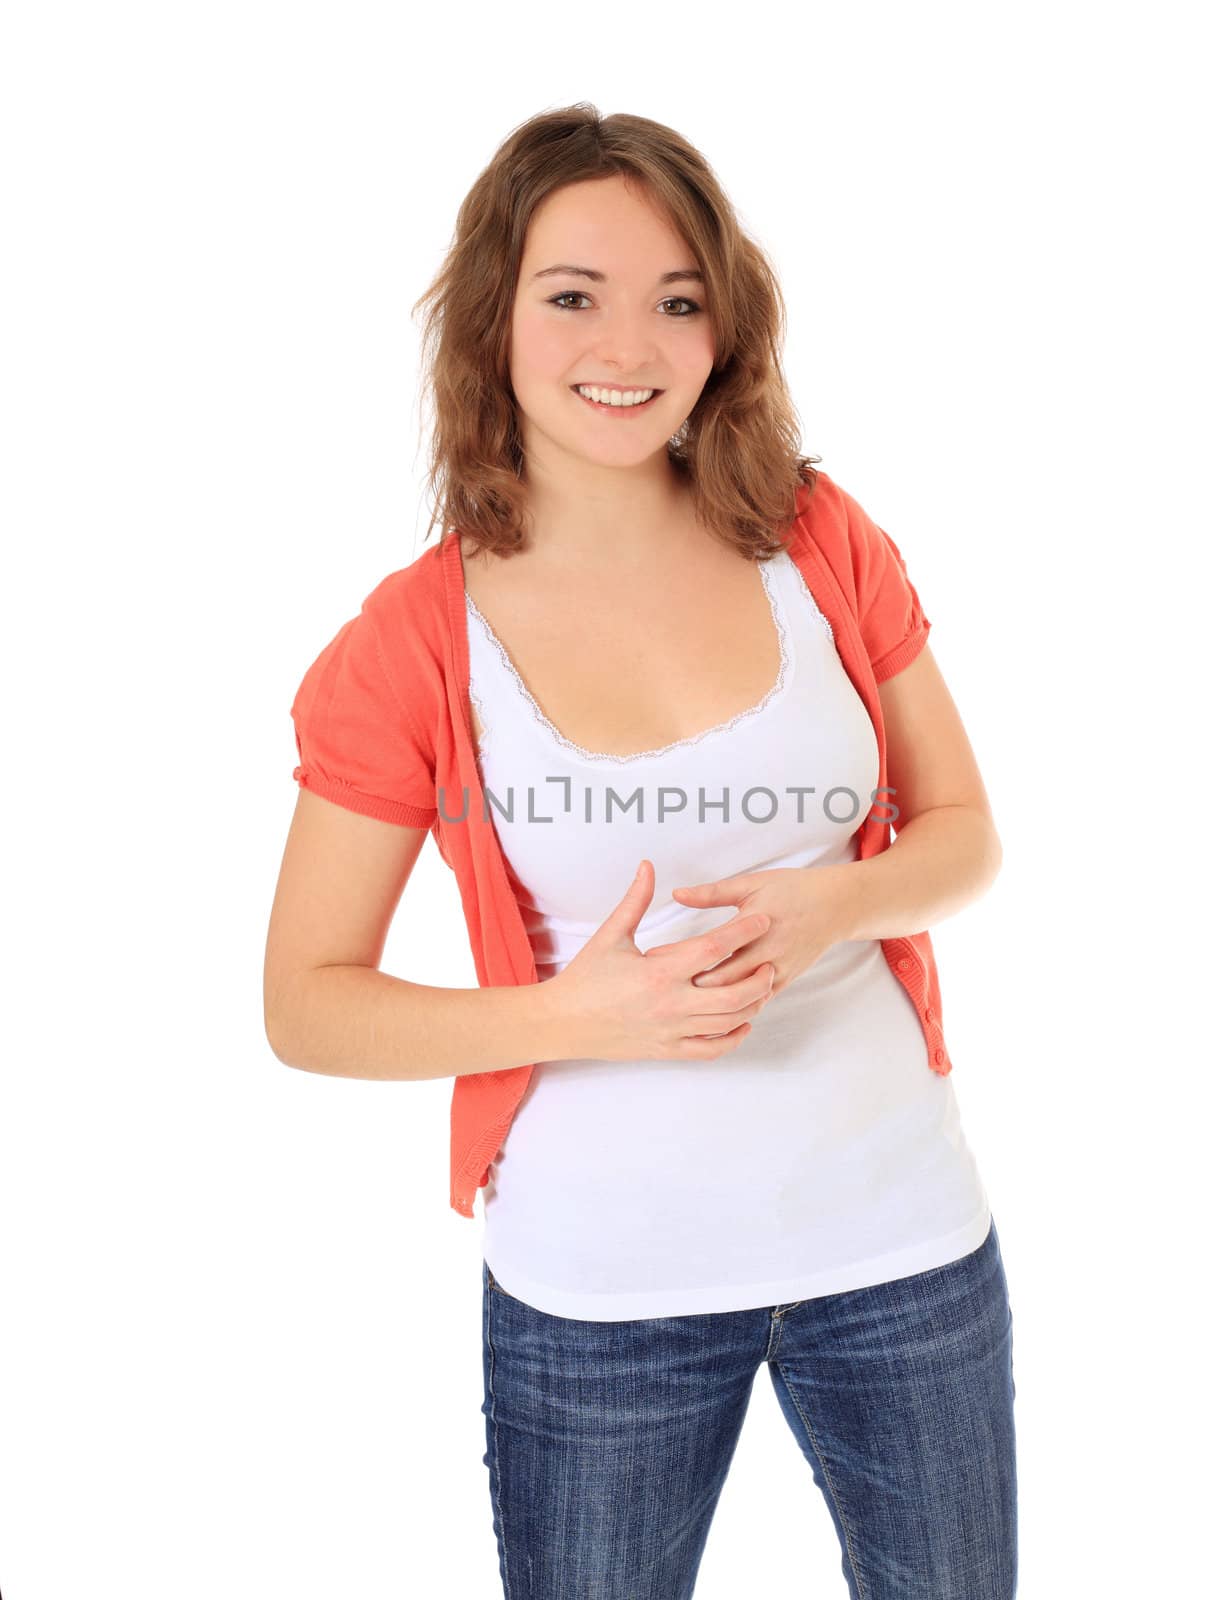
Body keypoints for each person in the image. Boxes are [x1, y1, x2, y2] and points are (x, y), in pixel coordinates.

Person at [266, 104, 1017, 1599]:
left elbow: (964, 837)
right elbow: (306, 1003)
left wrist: (838, 904)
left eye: (678, 298)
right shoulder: (413, 644)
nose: (632, 342)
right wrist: (581, 1016)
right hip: (602, 1292)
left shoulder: (817, 538)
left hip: (903, 1245)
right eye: (573, 296)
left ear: (724, 329)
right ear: (493, 323)